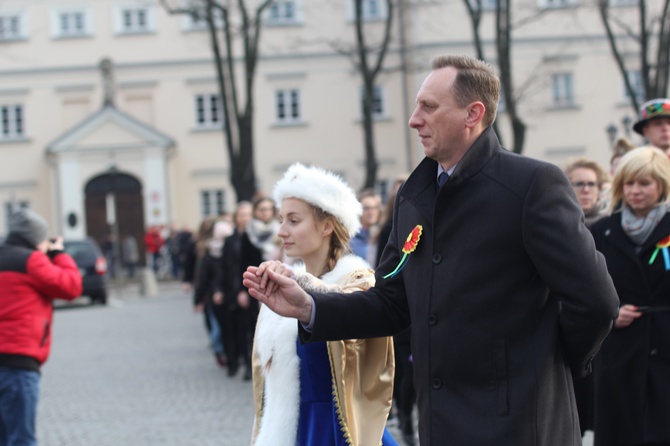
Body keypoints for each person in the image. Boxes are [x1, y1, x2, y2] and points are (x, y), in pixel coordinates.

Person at [243, 54, 620, 446]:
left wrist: (549, 364)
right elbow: (389, 303)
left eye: (429, 107)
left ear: (472, 114)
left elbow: (595, 301)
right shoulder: (414, 195)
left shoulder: (531, 185)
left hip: (522, 423)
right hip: (442, 424)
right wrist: (307, 305)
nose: (413, 119)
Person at [249, 163, 396, 446]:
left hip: (339, 430)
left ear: (327, 225)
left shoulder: (358, 281)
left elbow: (352, 311)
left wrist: (303, 284)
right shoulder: (285, 284)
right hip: (293, 431)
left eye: (293, 220)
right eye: (281, 220)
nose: (282, 231)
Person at [589, 146, 670, 446]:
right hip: (619, 356)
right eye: (629, 183)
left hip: (664, 350)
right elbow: (587, 288)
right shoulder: (601, 232)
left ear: (661, 184)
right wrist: (611, 313)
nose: (635, 191)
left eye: (644, 183)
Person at [0, 209, 83, 446]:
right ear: (37, 238)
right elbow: (71, 287)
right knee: (21, 439)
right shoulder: (30, 260)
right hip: (18, 362)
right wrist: (58, 253)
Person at [219, 202, 253, 379]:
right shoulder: (230, 240)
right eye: (241, 214)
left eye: (247, 214)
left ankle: (250, 365)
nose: (244, 218)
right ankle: (236, 361)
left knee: (249, 330)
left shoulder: (254, 237)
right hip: (232, 289)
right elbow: (224, 266)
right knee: (235, 329)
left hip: (250, 289)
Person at [564, 157, 610, 228]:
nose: (586, 190)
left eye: (591, 184)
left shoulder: (610, 224)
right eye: (579, 184)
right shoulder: (559, 222)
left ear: (599, 188)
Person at [349, 189, 382, 262]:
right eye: (367, 208)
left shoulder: (382, 235)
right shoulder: (352, 238)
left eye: (374, 208)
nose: (371, 212)